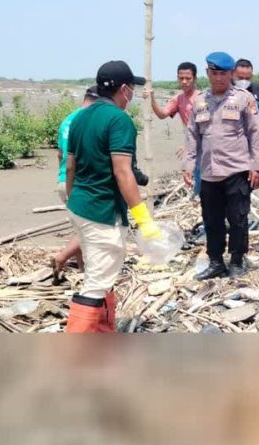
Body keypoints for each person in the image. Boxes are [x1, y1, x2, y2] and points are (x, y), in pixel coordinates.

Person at [65, 60, 162, 333]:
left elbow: (70, 165)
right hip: (102, 212)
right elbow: (123, 173)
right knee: (96, 284)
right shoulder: (120, 120)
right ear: (124, 89)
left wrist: (75, 201)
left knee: (101, 277)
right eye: (131, 88)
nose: (131, 94)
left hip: (80, 206)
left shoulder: (80, 117)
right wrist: (145, 220)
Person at [184, 51, 259, 280]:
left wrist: (257, 167)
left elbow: (254, 133)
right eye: (214, 73)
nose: (218, 78)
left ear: (231, 74)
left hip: (237, 171)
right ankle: (216, 261)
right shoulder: (199, 101)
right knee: (212, 220)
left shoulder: (243, 98)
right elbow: (192, 136)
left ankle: (237, 261)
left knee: (238, 219)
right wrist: (188, 166)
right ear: (208, 73)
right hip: (209, 173)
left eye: (223, 73)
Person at [51, 85, 98, 282]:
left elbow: (60, 154)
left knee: (80, 227)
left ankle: (82, 268)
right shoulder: (87, 120)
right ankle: (61, 257)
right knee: (90, 228)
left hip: (63, 180)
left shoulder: (67, 120)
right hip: (78, 181)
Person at [144, 62, 203, 194]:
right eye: (181, 78)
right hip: (193, 149)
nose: (184, 81)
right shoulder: (178, 99)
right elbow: (162, 114)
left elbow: (207, 127)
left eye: (188, 78)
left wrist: (188, 144)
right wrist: (152, 99)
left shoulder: (202, 98)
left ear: (195, 79)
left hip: (206, 146)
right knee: (195, 179)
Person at [233, 58, 259, 151]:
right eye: (240, 78)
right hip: (233, 140)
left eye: (247, 78)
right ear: (233, 74)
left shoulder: (255, 89)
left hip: (253, 139)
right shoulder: (227, 89)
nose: (244, 81)